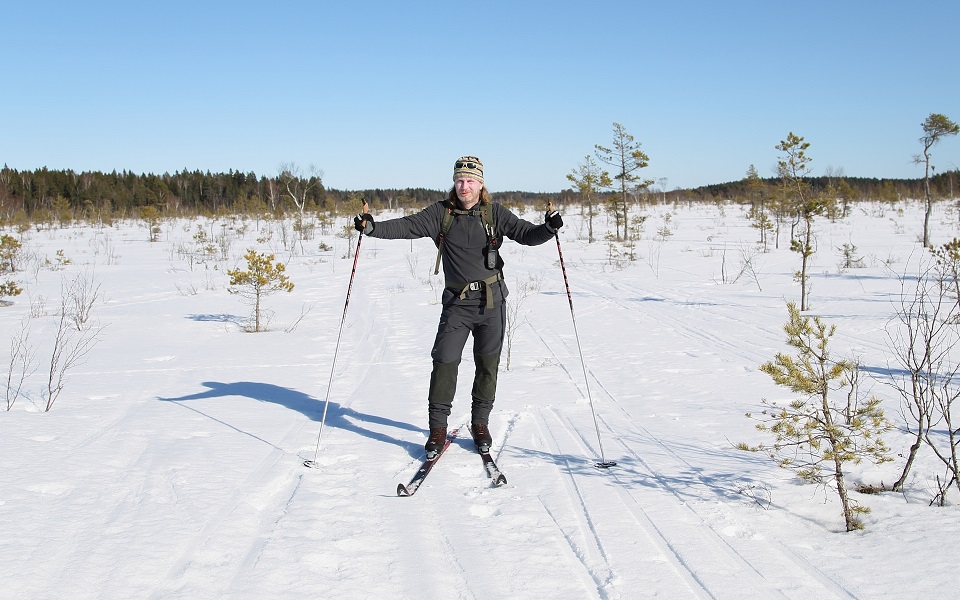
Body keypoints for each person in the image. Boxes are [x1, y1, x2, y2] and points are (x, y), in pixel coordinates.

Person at [354, 156, 563, 458]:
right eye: (459, 180)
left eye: (471, 181)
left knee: (487, 365)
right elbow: (406, 226)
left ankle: (480, 423)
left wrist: (548, 229)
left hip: (492, 302)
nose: (465, 186)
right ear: (454, 183)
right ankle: (437, 429)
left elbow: (527, 235)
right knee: (444, 362)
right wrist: (372, 228)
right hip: (456, 304)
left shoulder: (494, 213)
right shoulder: (441, 214)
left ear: (481, 184)